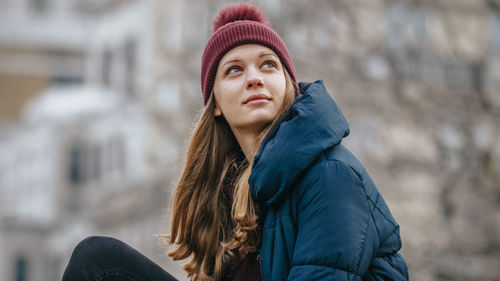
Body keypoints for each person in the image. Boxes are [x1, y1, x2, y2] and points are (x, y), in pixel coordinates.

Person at [62, 3, 409, 281]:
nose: (255, 78)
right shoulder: (228, 194)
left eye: (268, 65)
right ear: (214, 105)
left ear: (288, 86)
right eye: (234, 70)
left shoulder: (330, 175)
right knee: (99, 262)